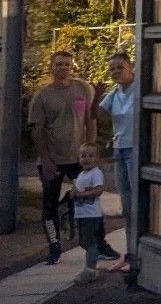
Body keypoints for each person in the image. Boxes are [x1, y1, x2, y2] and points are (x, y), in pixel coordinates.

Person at [28, 50, 95, 265]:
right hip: (52, 159)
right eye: (59, 64)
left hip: (77, 158)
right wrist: (46, 160)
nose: (64, 68)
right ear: (52, 67)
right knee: (49, 205)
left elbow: (90, 120)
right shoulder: (42, 97)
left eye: (67, 64)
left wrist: (91, 149)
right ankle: (54, 246)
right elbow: (37, 131)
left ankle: (95, 242)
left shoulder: (83, 89)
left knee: (89, 199)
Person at [98, 52, 139, 274]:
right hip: (119, 148)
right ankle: (129, 251)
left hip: (134, 149)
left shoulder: (138, 89)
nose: (115, 72)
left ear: (131, 67)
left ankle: (137, 253)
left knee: (135, 203)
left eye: (120, 67)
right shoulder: (115, 93)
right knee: (126, 205)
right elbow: (100, 113)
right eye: (112, 68)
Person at [63, 142, 121, 284]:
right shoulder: (80, 175)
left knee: (90, 243)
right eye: (83, 156)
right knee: (84, 242)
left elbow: (99, 190)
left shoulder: (96, 173)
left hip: (91, 215)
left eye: (90, 155)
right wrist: (72, 194)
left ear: (96, 158)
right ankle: (93, 261)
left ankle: (89, 270)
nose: (86, 159)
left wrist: (82, 194)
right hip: (82, 214)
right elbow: (76, 192)